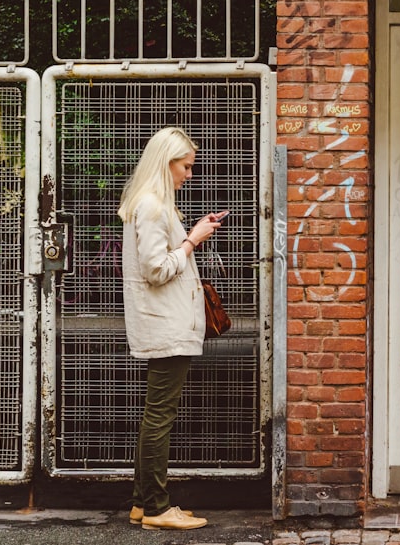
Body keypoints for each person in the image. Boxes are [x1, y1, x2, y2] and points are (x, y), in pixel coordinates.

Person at [118, 126, 227, 530]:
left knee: (155, 415)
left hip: (166, 323)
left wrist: (193, 230)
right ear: (166, 163)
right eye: (186, 165)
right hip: (165, 325)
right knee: (159, 416)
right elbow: (156, 269)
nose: (190, 173)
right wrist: (193, 240)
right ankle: (159, 510)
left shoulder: (155, 205)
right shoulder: (151, 205)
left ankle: (140, 503)